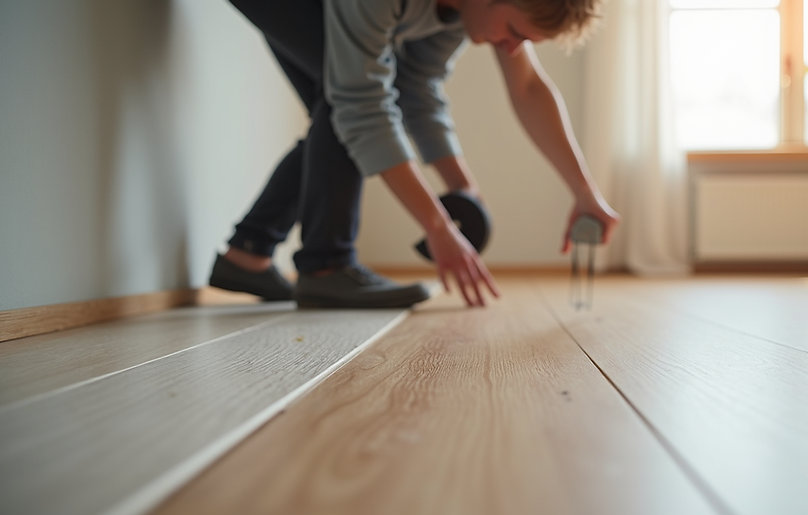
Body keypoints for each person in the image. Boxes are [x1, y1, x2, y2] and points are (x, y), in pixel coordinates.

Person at [209, 0, 620, 308]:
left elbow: (421, 86)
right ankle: (325, 266)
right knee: (348, 98)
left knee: (339, 102)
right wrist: (438, 227)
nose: (512, 49)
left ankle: (249, 253)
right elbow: (363, 103)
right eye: (514, 31)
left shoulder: (460, 13)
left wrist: (465, 186)